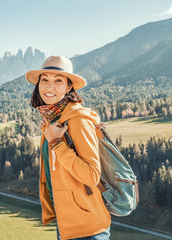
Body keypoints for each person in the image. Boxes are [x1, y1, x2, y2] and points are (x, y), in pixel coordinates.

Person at [25, 56, 111, 240]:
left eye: (58, 81)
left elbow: (91, 175)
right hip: (69, 225)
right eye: (45, 79)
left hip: (88, 229)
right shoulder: (53, 121)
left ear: (69, 87)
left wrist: (57, 144)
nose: (50, 87)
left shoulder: (78, 120)